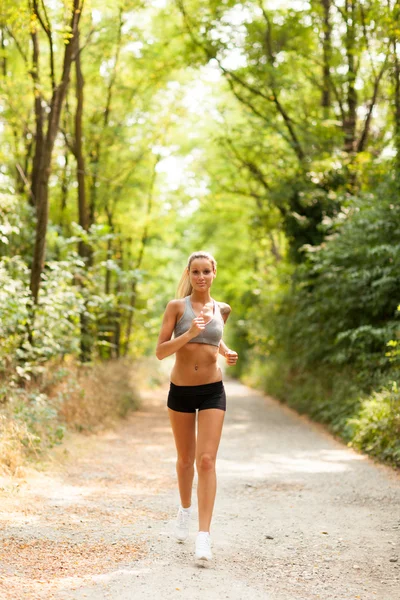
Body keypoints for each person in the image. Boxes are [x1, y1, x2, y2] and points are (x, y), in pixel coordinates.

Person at [156, 250, 238, 563]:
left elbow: (214, 340)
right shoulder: (176, 307)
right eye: (195, 272)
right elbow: (161, 351)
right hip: (181, 392)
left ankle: (203, 537)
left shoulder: (223, 309)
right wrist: (189, 332)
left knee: (206, 461)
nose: (201, 277)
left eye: (206, 271)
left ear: (214, 273)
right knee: (185, 459)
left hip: (212, 391)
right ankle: (185, 509)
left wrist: (226, 353)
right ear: (189, 275)